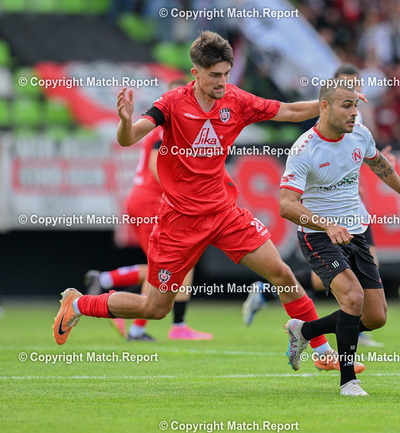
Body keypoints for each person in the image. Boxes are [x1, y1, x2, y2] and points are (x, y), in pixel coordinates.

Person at [52, 31, 353, 370]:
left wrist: (333, 105)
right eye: (214, 75)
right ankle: (78, 305)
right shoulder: (171, 103)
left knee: (282, 274)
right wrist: (124, 122)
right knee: (155, 308)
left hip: (224, 213)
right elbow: (129, 137)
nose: (222, 82)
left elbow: (291, 111)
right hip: (179, 222)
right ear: (195, 73)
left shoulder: (236, 100)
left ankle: (323, 352)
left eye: (226, 73)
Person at [279, 78, 400, 396]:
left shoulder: (360, 134)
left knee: (376, 317)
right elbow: (286, 206)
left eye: (355, 105)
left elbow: (379, 163)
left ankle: (304, 330)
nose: (354, 112)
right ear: (324, 107)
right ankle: (348, 382)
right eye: (346, 106)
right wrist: (327, 226)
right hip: (319, 236)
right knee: (353, 299)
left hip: (355, 233)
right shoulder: (305, 149)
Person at [242, 63, 385, 349]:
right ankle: (341, 331)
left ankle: (343, 323)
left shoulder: (357, 120)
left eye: (356, 86)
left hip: (355, 213)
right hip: (328, 218)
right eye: (346, 85)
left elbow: (358, 158)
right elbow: (315, 169)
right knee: (339, 284)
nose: (353, 91)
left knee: (366, 284)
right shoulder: (322, 127)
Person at [83, 80, 212, 342]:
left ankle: (108, 283)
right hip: (152, 202)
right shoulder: (169, 125)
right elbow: (156, 163)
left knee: (172, 265)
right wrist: (183, 196)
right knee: (170, 266)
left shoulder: (171, 124)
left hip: (147, 200)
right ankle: (152, 326)